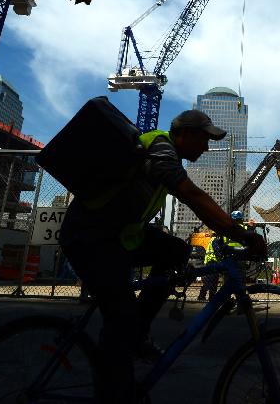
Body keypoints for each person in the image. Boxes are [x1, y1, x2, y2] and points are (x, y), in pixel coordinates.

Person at [58, 109, 266, 403]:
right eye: (204, 139)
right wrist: (241, 234)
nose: (207, 148)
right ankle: (115, 392)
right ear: (186, 134)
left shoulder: (166, 153)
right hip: (91, 239)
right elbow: (193, 197)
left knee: (176, 251)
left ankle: (137, 336)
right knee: (121, 319)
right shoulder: (161, 149)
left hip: (117, 237)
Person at [197, 231, 219, 301]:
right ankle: (204, 296)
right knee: (212, 282)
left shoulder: (211, 240)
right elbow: (217, 252)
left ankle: (205, 296)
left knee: (210, 281)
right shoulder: (215, 240)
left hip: (210, 262)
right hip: (213, 262)